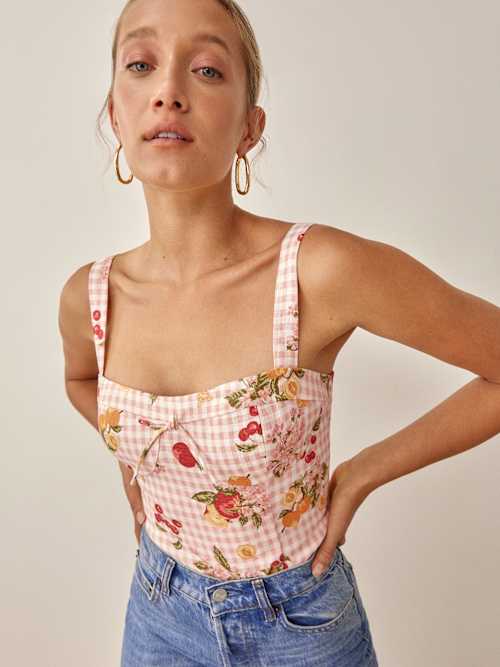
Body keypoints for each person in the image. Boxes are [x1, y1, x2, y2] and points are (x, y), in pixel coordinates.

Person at [58, 1, 500, 665]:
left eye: (207, 70)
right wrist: (139, 458)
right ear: (116, 115)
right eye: (141, 64)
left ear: (249, 127)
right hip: (158, 609)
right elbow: (79, 380)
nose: (168, 91)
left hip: (300, 626)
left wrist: (361, 473)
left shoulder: (318, 271)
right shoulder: (90, 297)